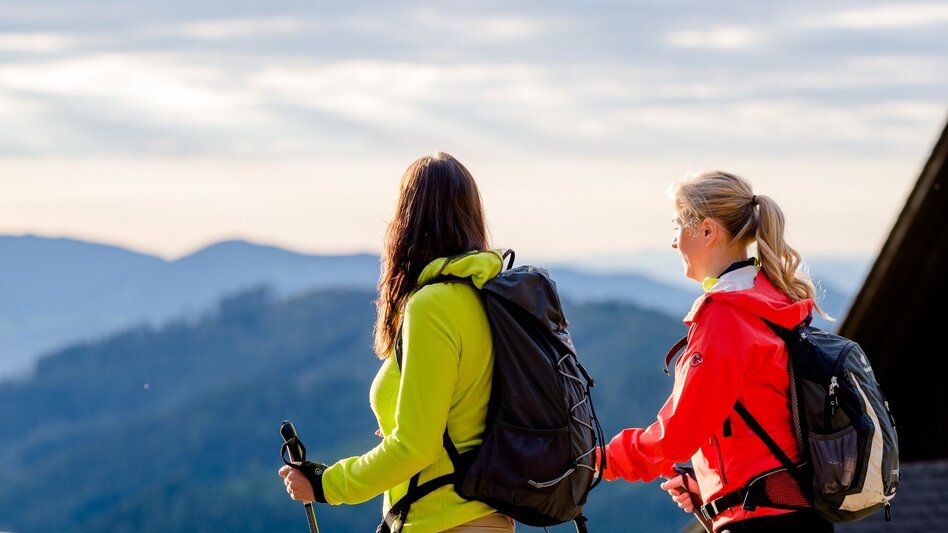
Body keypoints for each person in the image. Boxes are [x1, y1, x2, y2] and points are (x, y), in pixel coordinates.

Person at [278, 152, 515, 533]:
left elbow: (415, 448)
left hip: (443, 522)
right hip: (487, 518)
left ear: (409, 221)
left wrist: (326, 484)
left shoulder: (433, 305)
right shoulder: (487, 295)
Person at [601, 170, 833, 532]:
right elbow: (758, 415)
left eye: (678, 225)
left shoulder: (726, 316)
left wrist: (599, 461)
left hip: (758, 521)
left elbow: (677, 434)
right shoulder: (772, 301)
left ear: (707, 231)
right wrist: (702, 480)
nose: (673, 242)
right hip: (793, 514)